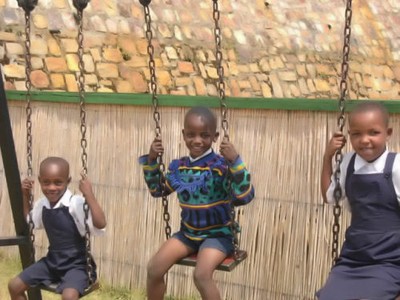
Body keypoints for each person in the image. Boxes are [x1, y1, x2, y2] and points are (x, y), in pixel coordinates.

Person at [139, 106, 255, 300]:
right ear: (184, 135)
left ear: (215, 137)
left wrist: (235, 161)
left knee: (201, 276)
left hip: (217, 235)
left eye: (204, 135)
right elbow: (158, 190)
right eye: (191, 135)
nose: (197, 140)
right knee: (154, 269)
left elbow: (245, 196)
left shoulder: (220, 166)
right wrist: (151, 159)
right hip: (188, 234)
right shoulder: (179, 167)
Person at [317, 101, 400, 300]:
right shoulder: (348, 162)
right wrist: (328, 156)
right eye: (356, 134)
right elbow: (329, 195)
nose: (365, 140)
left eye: (373, 132)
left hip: (389, 259)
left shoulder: (396, 166)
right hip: (354, 257)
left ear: (387, 133)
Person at [8, 156, 106, 300]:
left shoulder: (75, 203)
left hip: (77, 266)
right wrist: (25, 195)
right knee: (14, 286)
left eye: (58, 183)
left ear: (68, 181)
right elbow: (30, 222)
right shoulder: (42, 205)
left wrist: (89, 194)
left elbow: (101, 223)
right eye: (46, 183)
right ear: (40, 181)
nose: (51, 188)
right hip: (52, 262)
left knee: (69, 297)